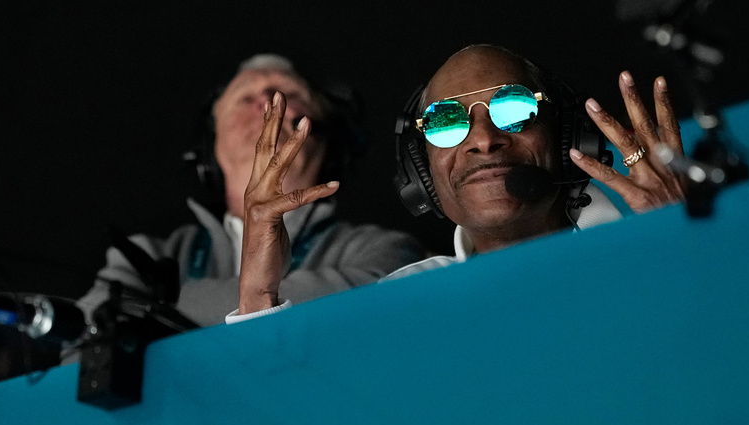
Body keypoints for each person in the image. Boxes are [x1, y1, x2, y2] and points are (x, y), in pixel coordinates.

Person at [228, 45, 684, 322]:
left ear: (565, 136)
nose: (483, 140)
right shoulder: (402, 304)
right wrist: (257, 295)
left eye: (514, 108)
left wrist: (685, 243)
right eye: (446, 122)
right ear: (421, 171)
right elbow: (295, 423)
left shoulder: (663, 235)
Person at [77, 54, 427, 327]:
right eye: (245, 97)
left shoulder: (384, 249)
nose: (268, 102)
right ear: (210, 148)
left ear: (327, 144)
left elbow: (373, 312)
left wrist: (163, 309)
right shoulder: (144, 256)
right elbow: (79, 349)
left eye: (290, 96)